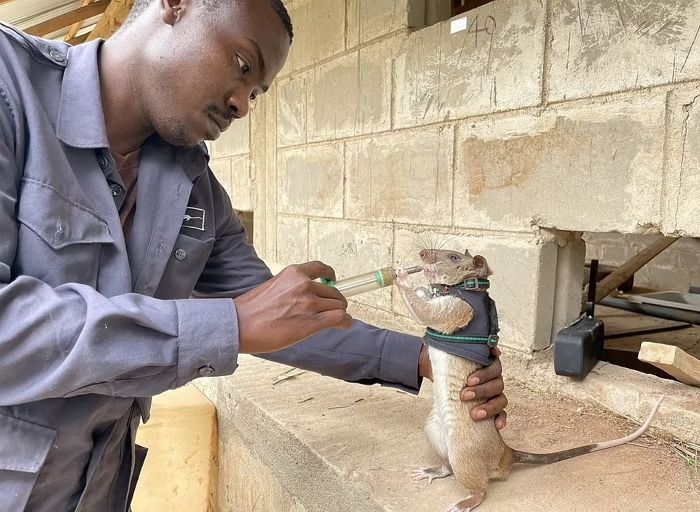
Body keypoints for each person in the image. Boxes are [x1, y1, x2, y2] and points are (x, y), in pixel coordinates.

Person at [0, 0, 507, 510]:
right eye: (243, 65)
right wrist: (230, 324)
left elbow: (277, 319)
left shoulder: (196, 189)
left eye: (256, 93)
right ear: (174, 5)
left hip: (98, 486)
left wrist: (430, 361)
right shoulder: (10, 86)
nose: (242, 105)